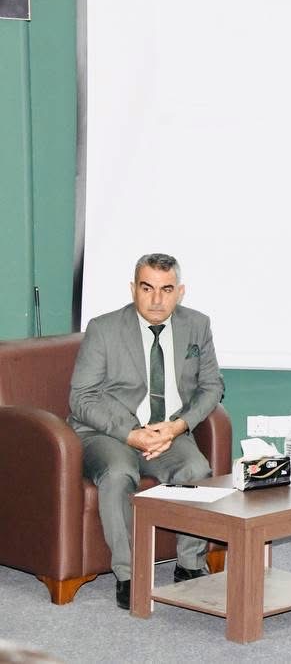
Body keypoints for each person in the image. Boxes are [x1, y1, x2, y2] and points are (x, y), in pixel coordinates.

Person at [69, 253, 225, 610]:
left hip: (168, 431)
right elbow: (81, 397)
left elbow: (212, 386)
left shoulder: (197, 325)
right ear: (133, 289)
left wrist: (179, 426)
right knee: (118, 472)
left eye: (166, 289)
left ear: (180, 292)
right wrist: (131, 434)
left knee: (196, 470)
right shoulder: (104, 328)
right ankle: (129, 575)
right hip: (109, 433)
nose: (156, 299)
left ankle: (190, 565)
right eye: (147, 288)